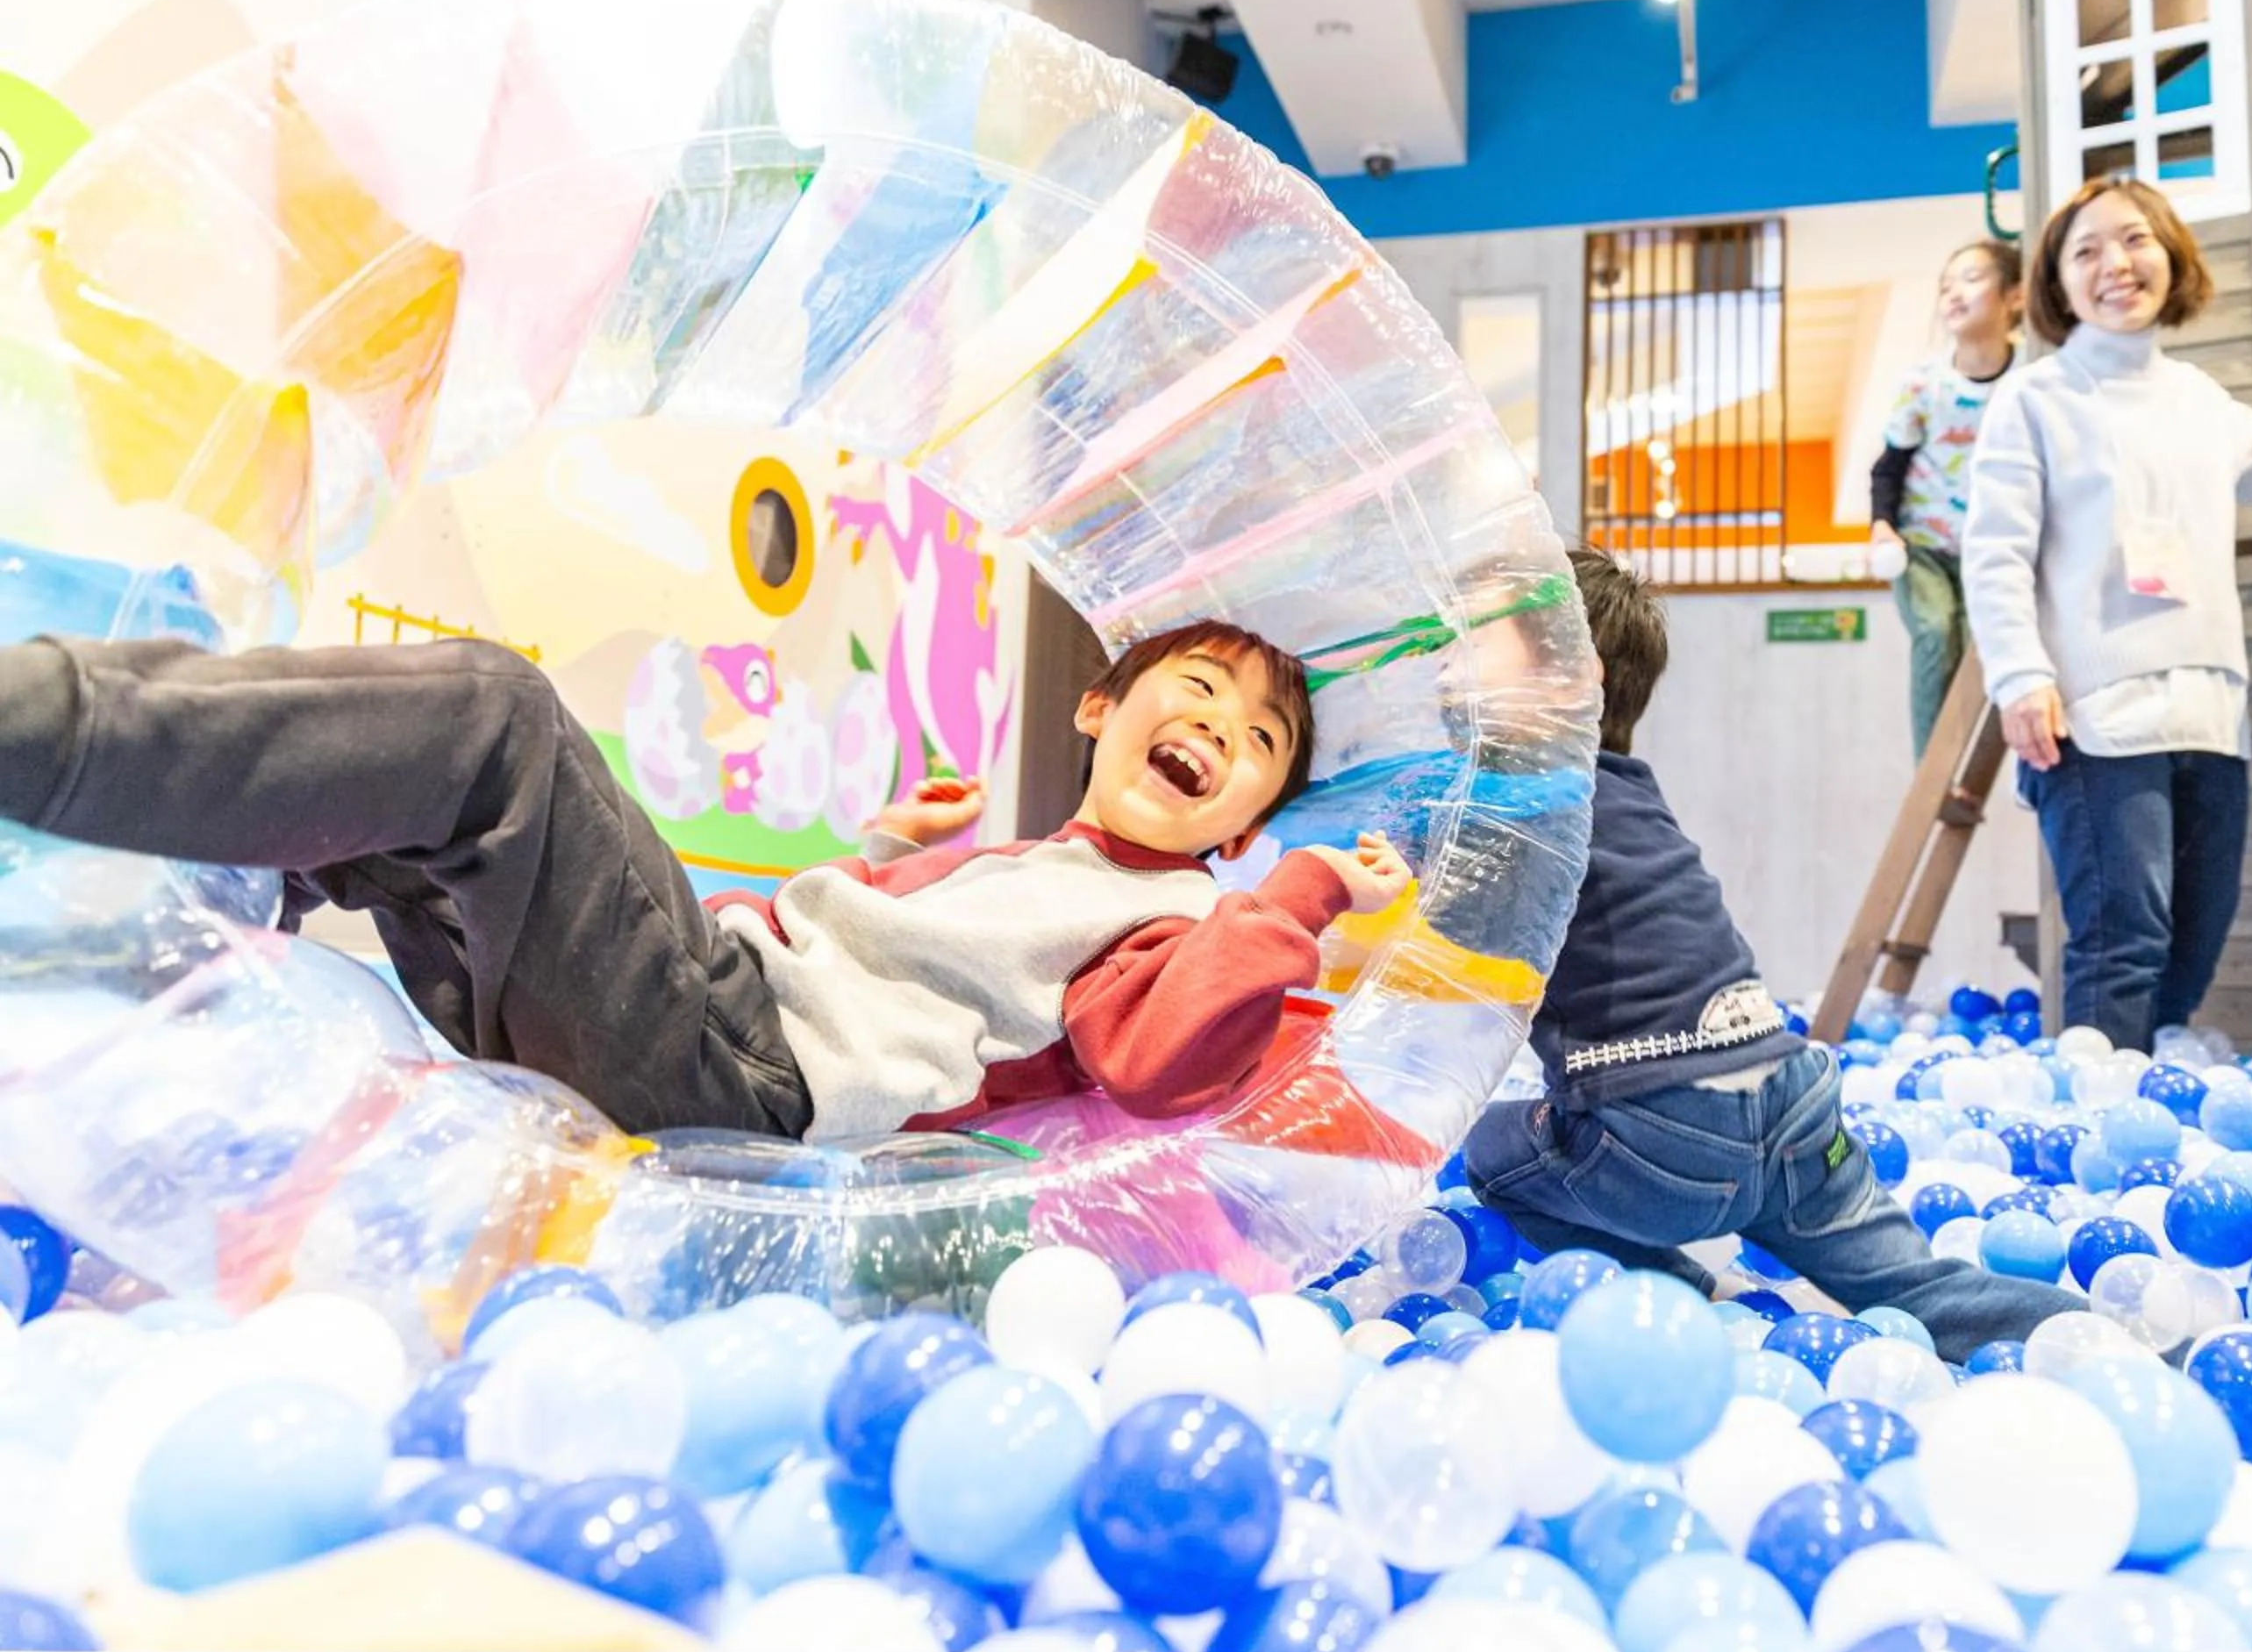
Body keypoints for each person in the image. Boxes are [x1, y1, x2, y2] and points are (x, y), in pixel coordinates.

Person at [0, 621, 1412, 1144]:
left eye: (1259, 746)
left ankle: (40, 726)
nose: (1224, 732)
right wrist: (891, 853)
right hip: (707, 1017)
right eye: (1201, 690)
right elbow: (889, 955)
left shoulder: (1169, 917)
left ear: (1238, 823)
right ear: (1101, 708)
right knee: (391, 801)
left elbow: (1160, 1064)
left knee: (494, 723)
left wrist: (1287, 900)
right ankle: (114, 927)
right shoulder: (1047, 863)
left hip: (744, 1068)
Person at [1463, 547, 2085, 1362]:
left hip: (1661, 1138)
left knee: (1491, 1153)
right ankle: (2111, 1348)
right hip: (1793, 1105)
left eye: (1475, 644)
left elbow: (1448, 957)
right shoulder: (1635, 793)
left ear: (1577, 684)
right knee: (1922, 1288)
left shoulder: (1521, 809)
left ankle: (1683, 1294)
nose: (1448, 669)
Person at [1962, 175, 2252, 1055]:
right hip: (2091, 714)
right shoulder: (2036, 398)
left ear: (2170, 255)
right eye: (2085, 251)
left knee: (2195, 940)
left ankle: (2139, 1133)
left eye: (2134, 241)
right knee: (2122, 940)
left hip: (2209, 706)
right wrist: (2020, 675)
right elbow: (1996, 548)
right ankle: (2093, 1137)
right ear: (2056, 280)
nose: (2114, 265)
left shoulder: (2198, 397)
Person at [1870, 240, 2024, 759]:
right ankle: (1933, 768)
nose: (1954, 292)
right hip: (1923, 548)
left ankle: (1976, 758)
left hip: (1993, 549)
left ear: (2016, 296)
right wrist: (1882, 527)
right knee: (1937, 631)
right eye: (1946, 284)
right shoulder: (1924, 384)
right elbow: (1888, 467)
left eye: (1973, 278)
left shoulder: (2030, 380)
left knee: (1984, 650)